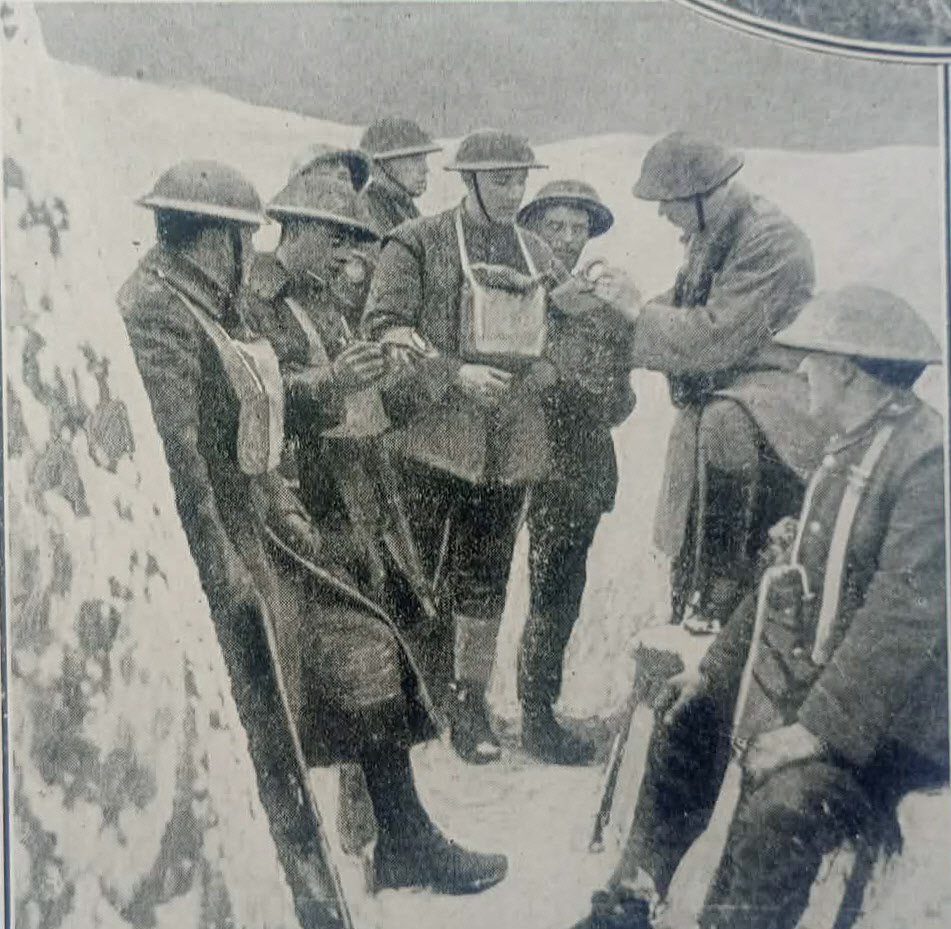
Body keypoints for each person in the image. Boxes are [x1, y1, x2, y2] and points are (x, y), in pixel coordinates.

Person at [122, 160, 508, 902]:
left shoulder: (205, 300)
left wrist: (325, 404)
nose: (250, 252)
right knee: (273, 706)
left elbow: (256, 411)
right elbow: (181, 455)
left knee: (368, 647)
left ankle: (403, 840)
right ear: (216, 240)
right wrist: (225, 566)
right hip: (229, 543)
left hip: (268, 527)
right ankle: (289, 880)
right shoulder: (160, 310)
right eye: (243, 239)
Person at [573, 285, 948, 929]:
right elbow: (786, 581)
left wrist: (813, 733)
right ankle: (630, 901)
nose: (800, 373)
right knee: (690, 719)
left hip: (894, 730)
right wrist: (714, 674)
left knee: (782, 803)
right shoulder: (854, 444)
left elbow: (900, 623)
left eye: (812, 361)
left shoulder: (925, 464)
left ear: (848, 372)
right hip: (829, 695)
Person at [362, 128, 567, 763]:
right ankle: (411, 702)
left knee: (486, 580)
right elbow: (385, 329)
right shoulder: (416, 243)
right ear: (470, 181)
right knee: (416, 573)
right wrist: (455, 374)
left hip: (510, 448)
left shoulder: (537, 253)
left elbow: (566, 334)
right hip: (433, 441)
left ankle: (469, 706)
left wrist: (545, 369)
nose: (513, 192)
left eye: (520, 180)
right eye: (501, 180)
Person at [595, 131, 824, 634]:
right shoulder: (717, 231)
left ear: (703, 193)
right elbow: (686, 306)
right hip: (733, 402)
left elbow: (717, 335)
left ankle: (719, 588)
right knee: (703, 467)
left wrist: (636, 312)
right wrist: (611, 308)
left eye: (668, 201)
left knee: (723, 426)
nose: (661, 213)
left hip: (775, 405)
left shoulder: (771, 240)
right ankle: (696, 601)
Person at [515, 180, 637, 764]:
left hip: (574, 467)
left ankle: (538, 717)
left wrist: (578, 385)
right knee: (476, 585)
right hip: (509, 456)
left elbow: (621, 399)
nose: (567, 238)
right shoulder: (512, 289)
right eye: (554, 226)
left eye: (578, 227)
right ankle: (457, 712)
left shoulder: (606, 309)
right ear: (532, 230)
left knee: (556, 593)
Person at [359, 117, 442, 232]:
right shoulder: (369, 208)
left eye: (423, 159)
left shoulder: (405, 206)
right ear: (385, 164)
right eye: (415, 160)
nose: (425, 169)